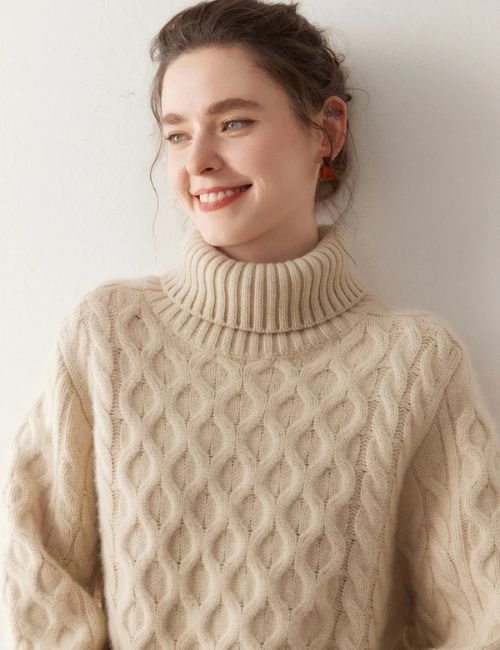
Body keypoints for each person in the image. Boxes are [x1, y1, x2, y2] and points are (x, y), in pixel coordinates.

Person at [3, 0, 500, 647]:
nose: (198, 160)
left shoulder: (413, 364)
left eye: (233, 122)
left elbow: (479, 615)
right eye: (177, 134)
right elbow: (34, 566)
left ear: (327, 131)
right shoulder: (108, 337)